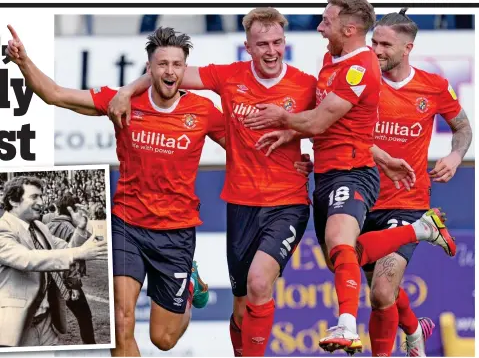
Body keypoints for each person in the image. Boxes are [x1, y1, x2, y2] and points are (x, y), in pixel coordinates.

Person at [106, 6, 444, 358]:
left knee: (261, 282)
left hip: (288, 203)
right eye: (262, 43)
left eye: (277, 42)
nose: (271, 50)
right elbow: (169, 73)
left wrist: (383, 158)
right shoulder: (228, 76)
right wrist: (128, 89)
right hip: (240, 204)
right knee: (242, 304)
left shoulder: (305, 84)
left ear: (285, 43)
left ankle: (353, 323)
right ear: (247, 48)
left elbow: (331, 125)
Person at [5, 24, 312, 356]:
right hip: (127, 225)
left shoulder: (202, 111)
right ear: (149, 68)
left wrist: (295, 161)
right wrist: (24, 62)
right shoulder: (123, 102)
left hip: (175, 233)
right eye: (162, 64)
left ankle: (189, 285)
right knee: (121, 321)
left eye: (177, 65)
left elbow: (247, 150)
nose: (170, 71)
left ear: (184, 69)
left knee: (163, 340)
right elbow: (56, 94)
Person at [241, 0, 457, 354]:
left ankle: (346, 325)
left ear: (348, 28)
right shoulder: (330, 61)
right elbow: (339, 127)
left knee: (375, 283)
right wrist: (294, 134)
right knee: (346, 258)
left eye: (326, 21)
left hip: (362, 177)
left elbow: (320, 121)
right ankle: (419, 262)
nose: (319, 26)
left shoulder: (363, 68)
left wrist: (283, 118)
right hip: (330, 173)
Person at [361, 9, 473, 357]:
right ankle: (414, 327)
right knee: (384, 294)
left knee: (381, 292)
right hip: (360, 198)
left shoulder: (434, 86)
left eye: (385, 45)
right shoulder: (359, 82)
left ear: (407, 48)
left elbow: (463, 128)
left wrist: (455, 156)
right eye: (373, 42)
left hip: (406, 203)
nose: (376, 50)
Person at [0, 176, 107, 347]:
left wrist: (80, 229)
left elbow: (64, 250)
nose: (41, 202)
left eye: (41, 196)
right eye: (34, 196)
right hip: (18, 326)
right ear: (13, 200)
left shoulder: (39, 227)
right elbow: (27, 259)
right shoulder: (3, 228)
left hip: (46, 322)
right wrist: (79, 252)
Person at [48, 193, 96, 344]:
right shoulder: (71, 229)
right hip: (66, 281)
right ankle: (91, 348)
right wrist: (74, 285)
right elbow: (73, 259)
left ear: (56, 208)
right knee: (84, 315)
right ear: (73, 209)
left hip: (48, 277)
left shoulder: (46, 226)